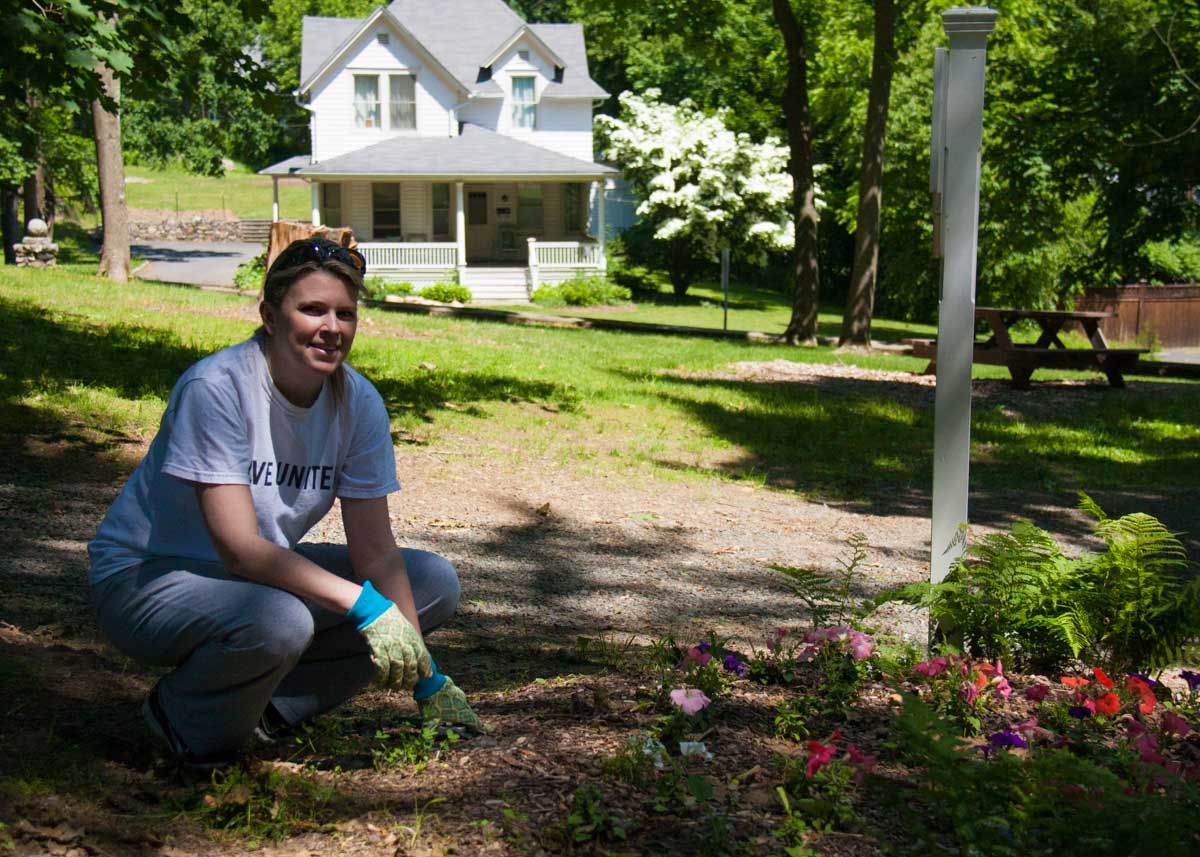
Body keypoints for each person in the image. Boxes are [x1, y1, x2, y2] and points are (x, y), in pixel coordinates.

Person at [87, 237, 483, 772]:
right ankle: (182, 718)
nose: (332, 327)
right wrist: (367, 608)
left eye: (345, 313)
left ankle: (275, 706)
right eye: (312, 309)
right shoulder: (218, 386)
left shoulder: (358, 402)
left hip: (254, 579)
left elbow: (377, 554)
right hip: (147, 577)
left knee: (431, 583)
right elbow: (240, 549)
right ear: (270, 317)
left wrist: (428, 680)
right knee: (279, 619)